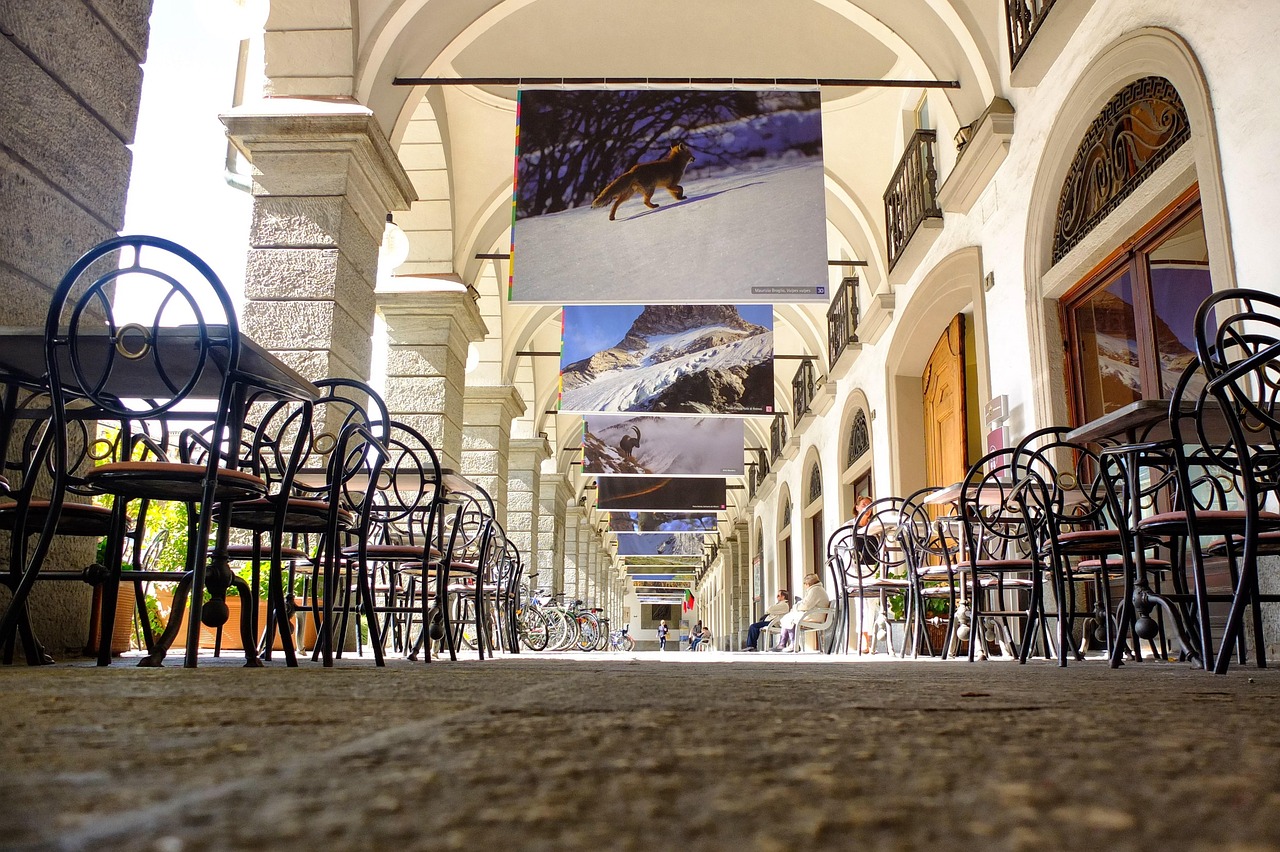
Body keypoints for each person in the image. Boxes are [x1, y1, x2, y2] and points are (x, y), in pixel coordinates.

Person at [771, 573, 831, 651]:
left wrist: (796, 607)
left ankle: (791, 644)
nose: (804, 586)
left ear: (808, 583)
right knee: (788, 617)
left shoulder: (815, 590)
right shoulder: (816, 589)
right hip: (815, 614)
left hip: (815, 615)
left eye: (805, 584)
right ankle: (783, 644)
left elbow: (806, 605)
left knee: (790, 618)